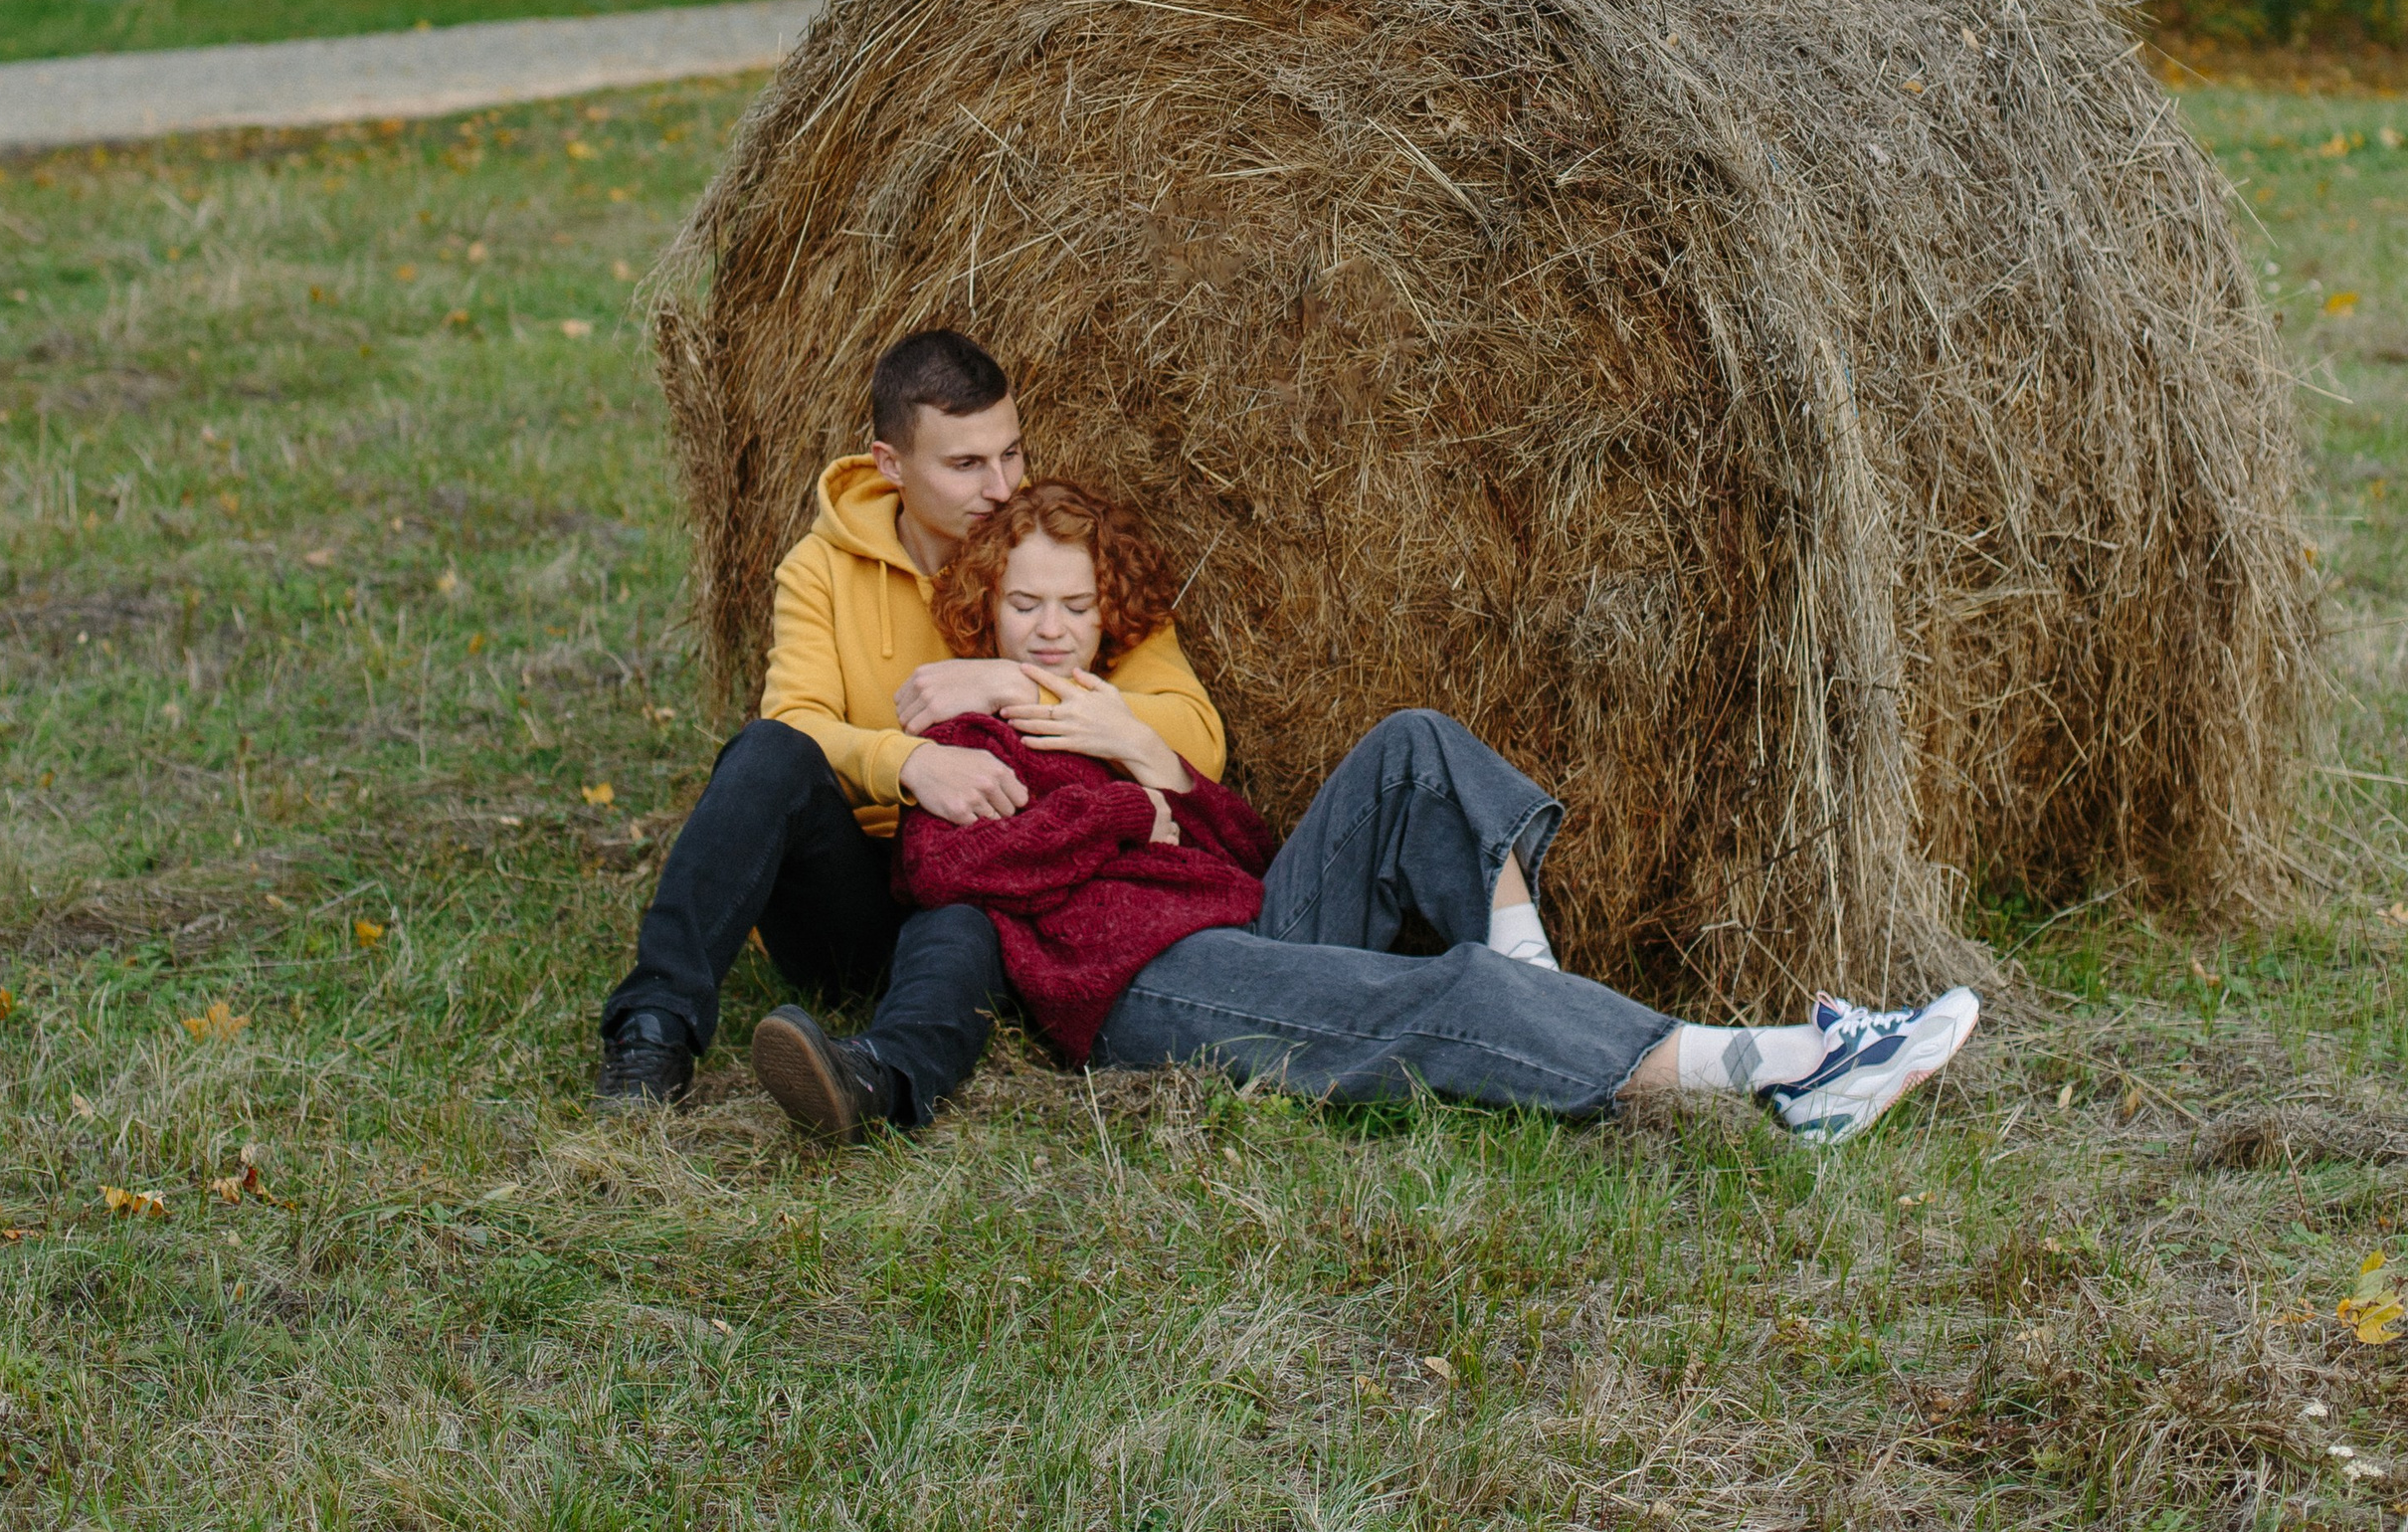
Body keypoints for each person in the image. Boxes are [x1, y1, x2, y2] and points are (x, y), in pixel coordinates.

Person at [868, 479, 1980, 1147]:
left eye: (1075, 604)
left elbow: (1244, 852)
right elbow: (947, 868)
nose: (1052, 628)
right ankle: (1788, 1070)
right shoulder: (970, 727)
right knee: (1442, 993)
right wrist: (1127, 810)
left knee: (1413, 742)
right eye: (1025, 604)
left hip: (1240, 930)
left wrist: (1148, 756)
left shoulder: (1110, 709)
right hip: (1137, 988)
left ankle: (1537, 987)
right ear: (984, 603)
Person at [596, 333, 1227, 1132]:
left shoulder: (1054, 555)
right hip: (855, 892)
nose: (1001, 486)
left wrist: (1015, 680)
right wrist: (911, 761)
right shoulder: (820, 572)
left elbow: (1196, 739)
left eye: (1011, 452)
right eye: (965, 464)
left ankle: (875, 1083)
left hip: (991, 881)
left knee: (964, 916)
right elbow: (798, 722)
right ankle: (652, 1034)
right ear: (890, 463)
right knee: (767, 752)